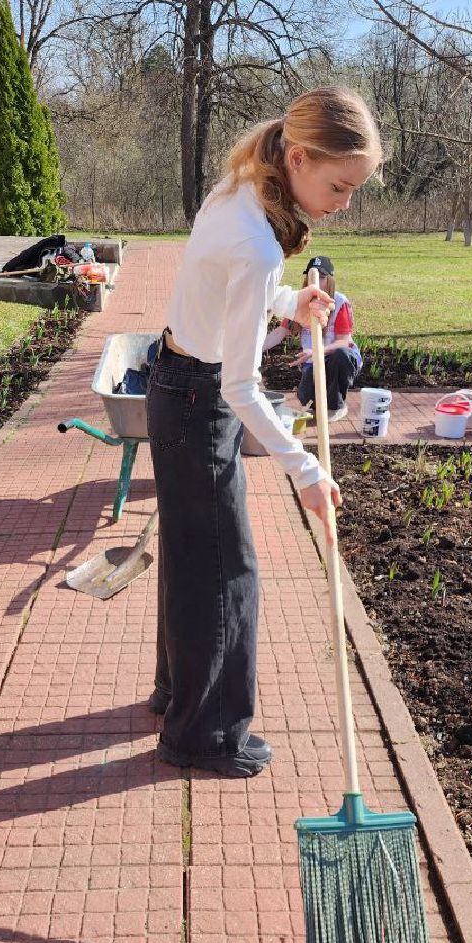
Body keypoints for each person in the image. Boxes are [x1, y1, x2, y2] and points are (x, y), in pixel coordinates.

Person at [147, 87, 380, 778]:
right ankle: (204, 736)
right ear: (300, 158)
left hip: (175, 380)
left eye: (356, 189)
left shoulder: (239, 188)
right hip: (197, 397)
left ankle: (176, 697)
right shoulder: (254, 239)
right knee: (228, 571)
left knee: (195, 559)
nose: (344, 203)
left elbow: (224, 287)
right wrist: (305, 468)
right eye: (339, 186)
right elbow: (240, 388)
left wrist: (286, 301)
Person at [261, 255, 363, 419]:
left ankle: (337, 406)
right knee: (307, 399)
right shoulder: (301, 300)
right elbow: (280, 332)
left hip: (336, 357)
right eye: (311, 277)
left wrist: (316, 351)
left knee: (341, 357)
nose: (316, 282)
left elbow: (344, 342)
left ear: (330, 280)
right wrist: (255, 348)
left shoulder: (339, 302)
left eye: (322, 277)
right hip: (313, 362)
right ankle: (322, 403)